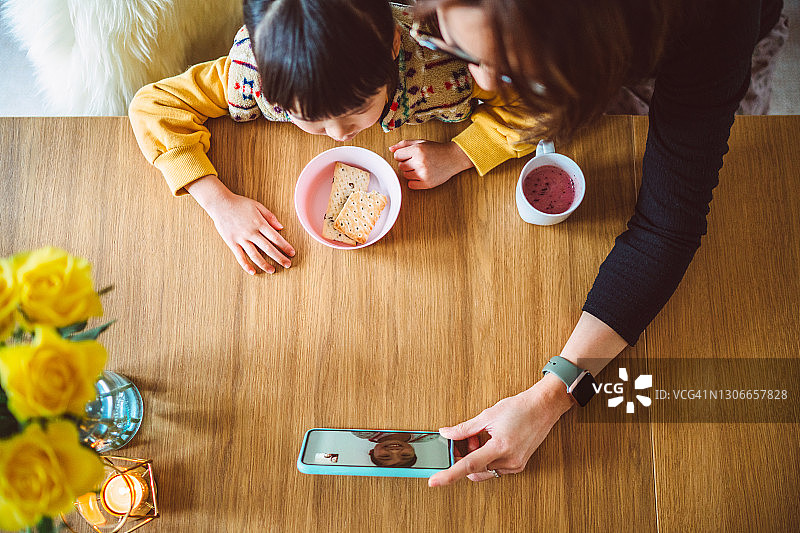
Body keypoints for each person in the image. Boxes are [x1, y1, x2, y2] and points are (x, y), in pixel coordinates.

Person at [414, 0, 786, 486]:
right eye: (460, 46)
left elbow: (666, 228)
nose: (482, 84)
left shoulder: (713, 22)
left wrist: (552, 396)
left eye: (514, 68)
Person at [128, 0, 538, 275]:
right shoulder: (251, 73)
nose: (341, 137)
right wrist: (218, 202)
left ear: (393, 46)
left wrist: (461, 153)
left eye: (358, 110)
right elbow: (153, 106)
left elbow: (541, 107)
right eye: (314, 120)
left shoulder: (450, 61)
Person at [352, 431, 438, 467]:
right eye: (405, 455)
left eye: (385, 456)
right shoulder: (430, 436)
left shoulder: (361, 432)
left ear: (372, 452)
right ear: (414, 452)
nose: (395, 451)